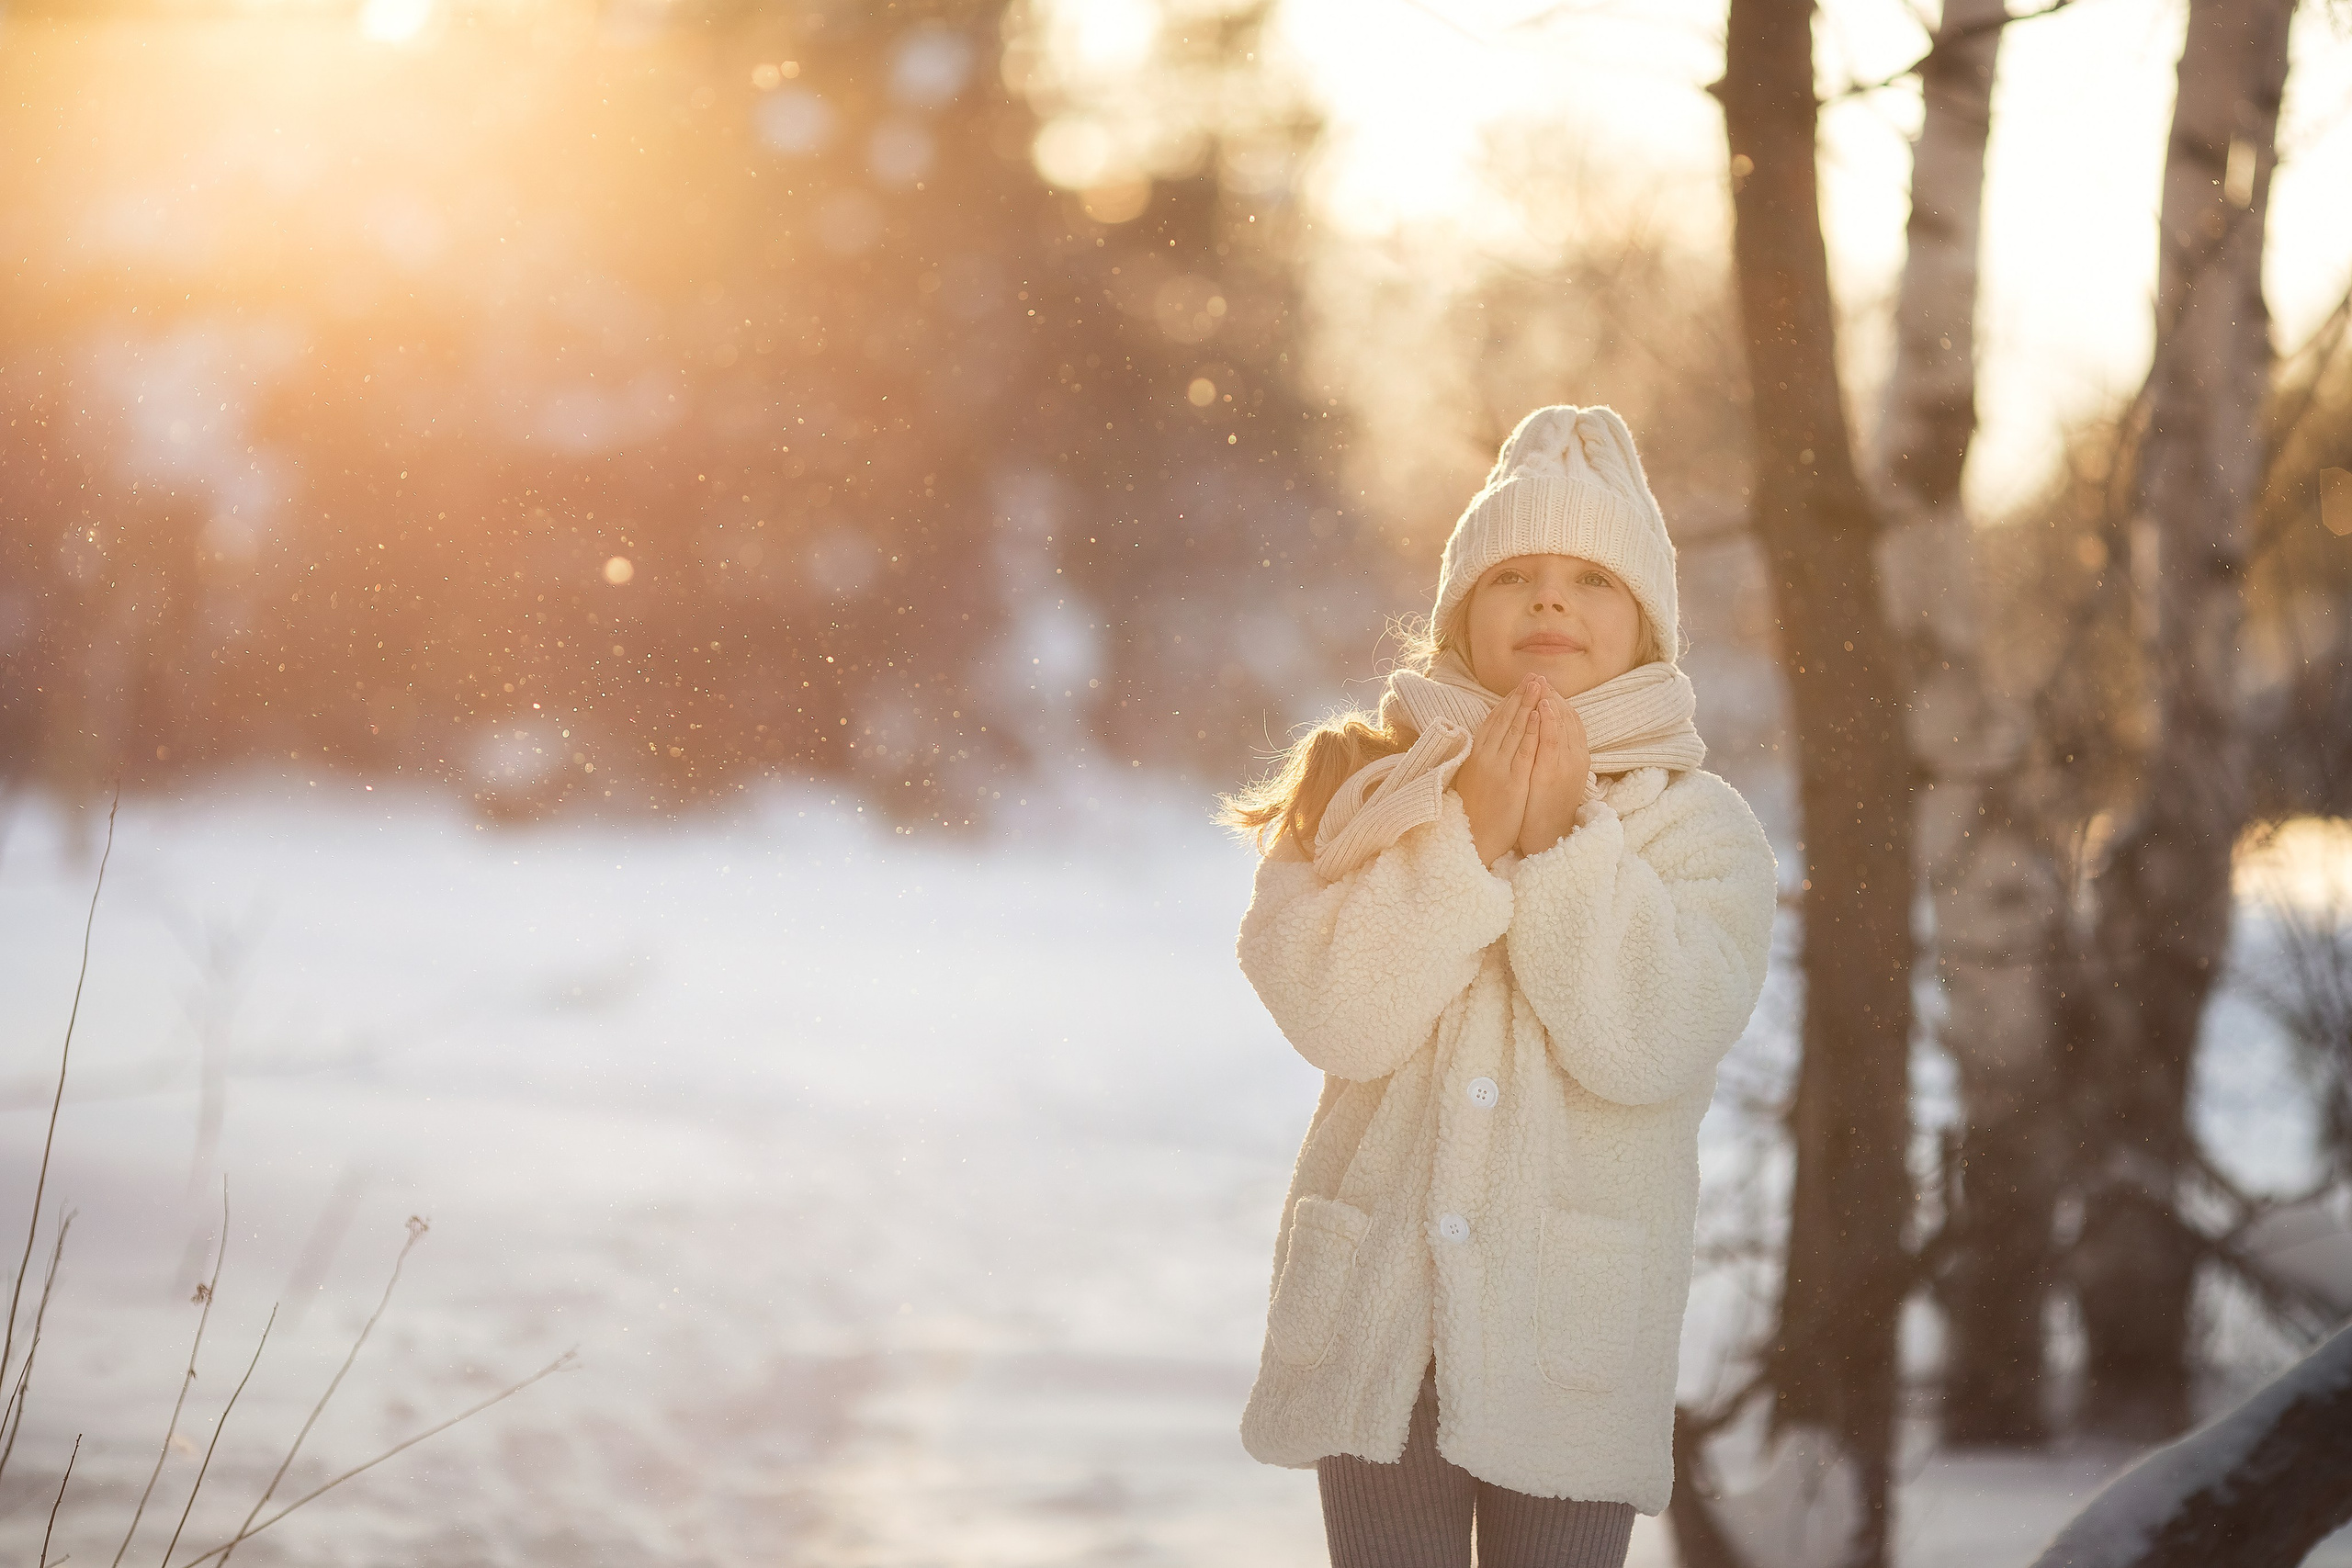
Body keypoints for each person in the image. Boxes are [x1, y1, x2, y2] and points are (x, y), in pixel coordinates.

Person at [1217, 404, 1780, 1567]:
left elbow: (1649, 1041)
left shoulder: (1700, 831)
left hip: (1570, 1331)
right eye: (1511, 575)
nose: (1548, 602)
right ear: (1458, 614)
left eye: (1591, 579)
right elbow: (1339, 1015)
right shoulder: (1370, 789)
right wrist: (1464, 833)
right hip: (1377, 1324)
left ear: (1649, 628)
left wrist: (1567, 838)